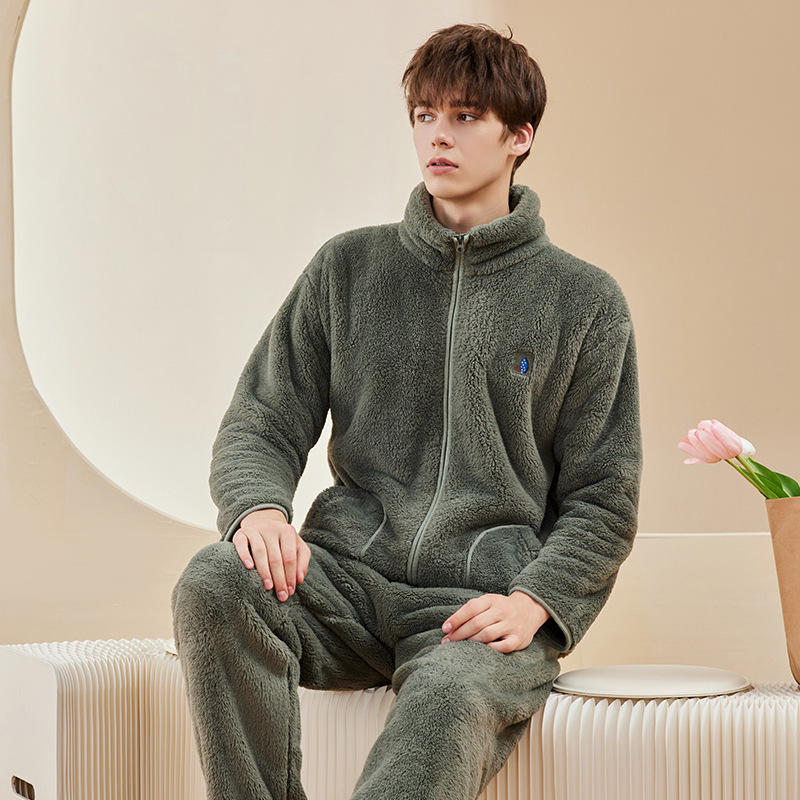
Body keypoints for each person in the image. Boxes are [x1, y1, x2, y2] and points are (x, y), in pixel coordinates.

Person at [172, 22, 642, 800]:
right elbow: (262, 419)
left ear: (520, 136)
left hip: (477, 604)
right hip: (343, 584)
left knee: (450, 697)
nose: (437, 136)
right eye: (425, 115)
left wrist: (536, 601)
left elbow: (604, 496)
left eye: (465, 116)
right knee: (217, 579)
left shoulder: (583, 301)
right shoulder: (347, 268)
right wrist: (258, 509)